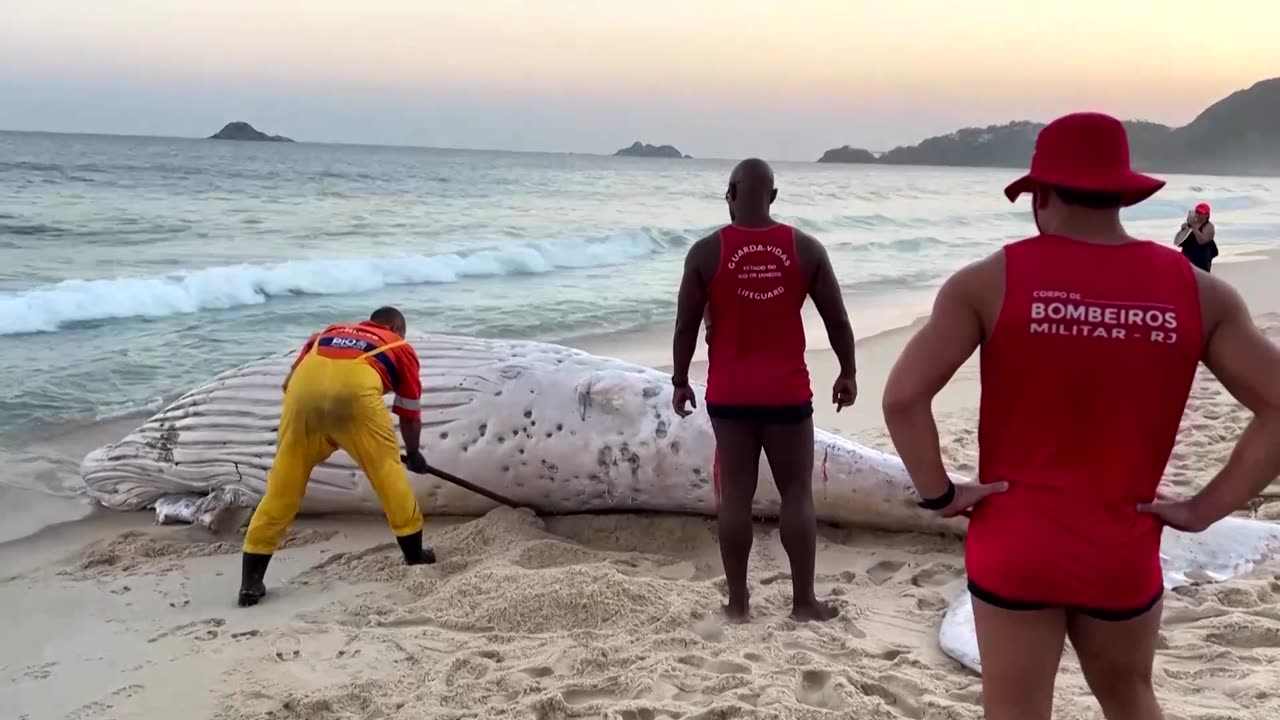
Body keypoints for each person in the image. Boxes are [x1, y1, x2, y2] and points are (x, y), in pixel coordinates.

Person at [881, 112, 1280, 720]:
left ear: (1039, 196)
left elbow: (903, 398)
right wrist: (1202, 510)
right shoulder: (1200, 293)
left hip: (1015, 540)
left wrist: (941, 495)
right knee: (1128, 698)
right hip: (1120, 546)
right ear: (1123, 195)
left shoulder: (986, 282)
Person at [671, 158, 857, 623]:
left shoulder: (704, 253)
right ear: (772, 196)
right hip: (787, 394)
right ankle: (803, 603)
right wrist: (847, 371)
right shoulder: (806, 248)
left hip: (730, 395)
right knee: (797, 494)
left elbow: (685, 326)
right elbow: (837, 319)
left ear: (730, 193)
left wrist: (679, 380)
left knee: (735, 495)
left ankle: (738, 604)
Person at [238, 306, 437, 607]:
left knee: (283, 488)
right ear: (397, 328)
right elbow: (409, 412)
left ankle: (250, 583)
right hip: (355, 400)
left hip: (302, 401)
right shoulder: (398, 345)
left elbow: (288, 385)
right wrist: (413, 452)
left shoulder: (326, 334)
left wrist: (321, 425)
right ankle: (414, 555)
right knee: (387, 473)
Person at [1176, 202, 1217, 272]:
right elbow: (1177, 243)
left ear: (1207, 215)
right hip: (1187, 259)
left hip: (1201, 261)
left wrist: (1194, 226)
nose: (1198, 214)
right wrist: (1184, 230)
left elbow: (1202, 241)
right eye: (1197, 212)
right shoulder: (1188, 225)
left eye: (1201, 212)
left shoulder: (1209, 227)